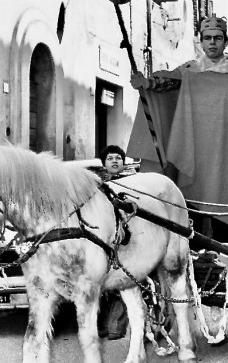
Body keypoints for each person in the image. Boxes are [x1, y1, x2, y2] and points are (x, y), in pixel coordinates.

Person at [128, 14, 228, 243]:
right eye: (207, 38)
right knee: (191, 203)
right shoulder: (190, 69)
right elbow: (168, 83)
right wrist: (147, 84)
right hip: (194, 150)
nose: (212, 42)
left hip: (225, 151)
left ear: (225, 42)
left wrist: (194, 81)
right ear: (201, 42)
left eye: (217, 38)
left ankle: (225, 247)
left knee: (223, 200)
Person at [96, 145, 130, 340]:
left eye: (118, 158)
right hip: (102, 241)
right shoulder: (98, 186)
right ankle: (101, 326)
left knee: (121, 282)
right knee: (101, 285)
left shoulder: (132, 184)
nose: (115, 161)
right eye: (110, 158)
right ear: (104, 163)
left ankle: (116, 326)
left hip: (126, 241)